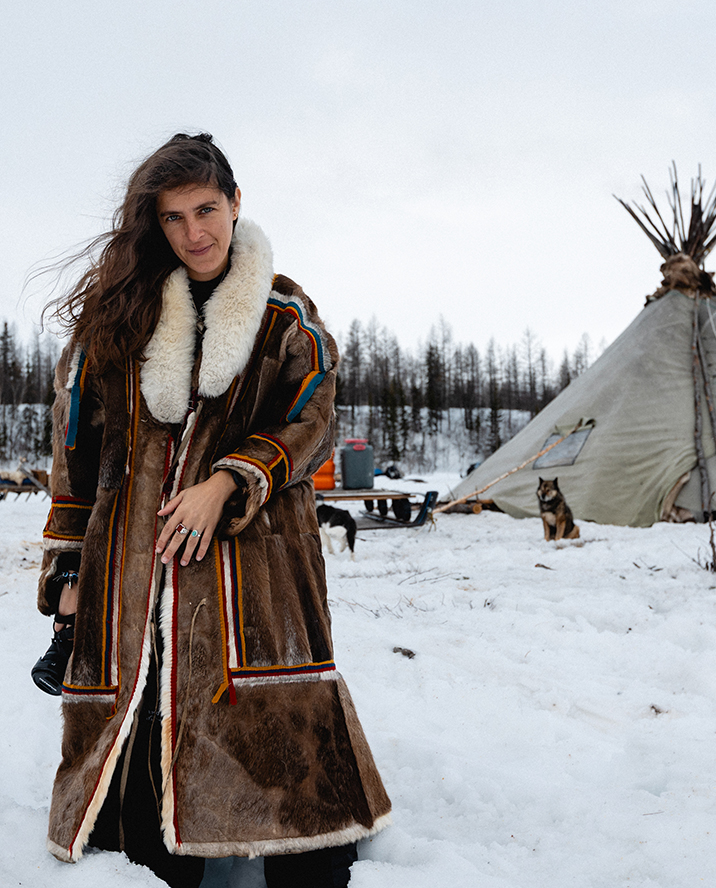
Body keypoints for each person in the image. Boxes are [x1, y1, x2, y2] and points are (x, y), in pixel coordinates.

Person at [32, 133, 391, 888]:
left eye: (206, 210)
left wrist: (230, 478)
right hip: (128, 565)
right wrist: (67, 571)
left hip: (253, 561)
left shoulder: (285, 317)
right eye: (172, 218)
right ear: (152, 226)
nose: (194, 232)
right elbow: (78, 452)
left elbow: (313, 418)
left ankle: (300, 858)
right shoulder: (119, 320)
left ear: (235, 203)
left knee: (272, 734)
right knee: (136, 794)